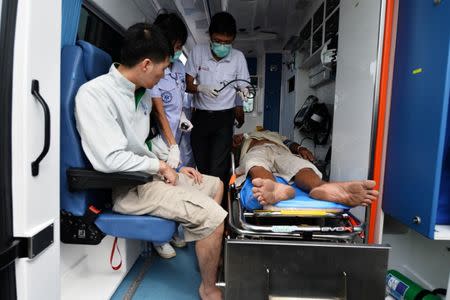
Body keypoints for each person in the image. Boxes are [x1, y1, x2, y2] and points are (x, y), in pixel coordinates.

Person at [75, 23, 225, 300]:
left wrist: (174, 165)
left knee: (215, 185)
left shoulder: (140, 93)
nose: (164, 75)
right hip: (129, 188)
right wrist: (160, 167)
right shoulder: (95, 95)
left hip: (151, 175)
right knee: (214, 218)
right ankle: (209, 288)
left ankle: (202, 237)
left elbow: (140, 145)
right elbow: (110, 159)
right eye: (163, 68)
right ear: (145, 64)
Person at [186, 11, 251, 192]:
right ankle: (203, 203)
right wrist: (201, 88)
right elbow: (187, 84)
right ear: (210, 37)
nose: (222, 45)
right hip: (200, 118)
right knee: (202, 165)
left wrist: (244, 95)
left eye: (227, 42)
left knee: (218, 168)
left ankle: (218, 208)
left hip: (224, 118)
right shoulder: (197, 52)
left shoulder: (238, 58)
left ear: (233, 40)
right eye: (218, 41)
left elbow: (243, 85)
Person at [232, 130, 379, 207]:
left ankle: (322, 187)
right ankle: (274, 187)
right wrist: (236, 143)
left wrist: (301, 148)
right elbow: (234, 155)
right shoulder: (246, 139)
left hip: (281, 150)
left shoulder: (274, 135)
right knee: (255, 163)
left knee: (301, 165)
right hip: (256, 151)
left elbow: (290, 143)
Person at [150, 12, 191, 259]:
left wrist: (184, 119)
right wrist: (172, 145)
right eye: (176, 46)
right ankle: (158, 237)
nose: (178, 51)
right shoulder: (153, 65)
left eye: (180, 47)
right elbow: (158, 110)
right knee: (161, 183)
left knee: (178, 184)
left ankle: (174, 229)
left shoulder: (179, 66)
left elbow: (179, 100)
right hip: (163, 136)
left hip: (178, 133)